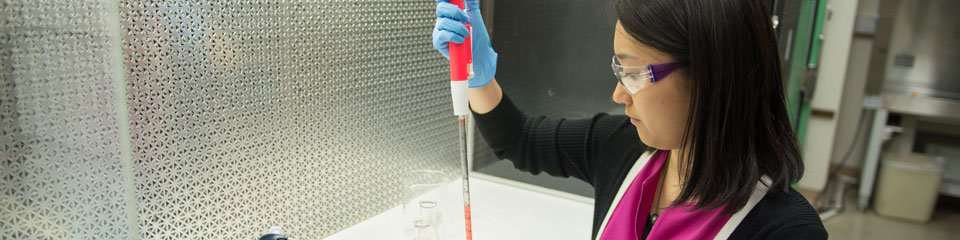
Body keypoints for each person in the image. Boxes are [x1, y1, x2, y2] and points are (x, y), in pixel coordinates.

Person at [432, 0, 828, 239]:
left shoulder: (784, 231)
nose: (618, 94)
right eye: (617, 70)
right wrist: (479, 76)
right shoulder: (624, 148)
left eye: (633, 73)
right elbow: (519, 142)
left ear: (711, 78)